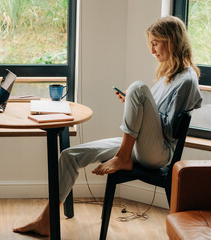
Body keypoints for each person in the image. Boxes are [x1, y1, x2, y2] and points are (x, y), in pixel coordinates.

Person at [13, 15, 202, 236]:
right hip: (140, 144)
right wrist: (137, 108)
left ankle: (123, 157)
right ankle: (46, 220)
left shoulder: (187, 80)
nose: (152, 50)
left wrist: (142, 106)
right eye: (150, 44)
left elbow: (169, 132)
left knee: (138, 88)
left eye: (156, 43)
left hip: (158, 153)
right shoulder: (169, 74)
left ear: (172, 40)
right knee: (69, 155)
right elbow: (154, 116)